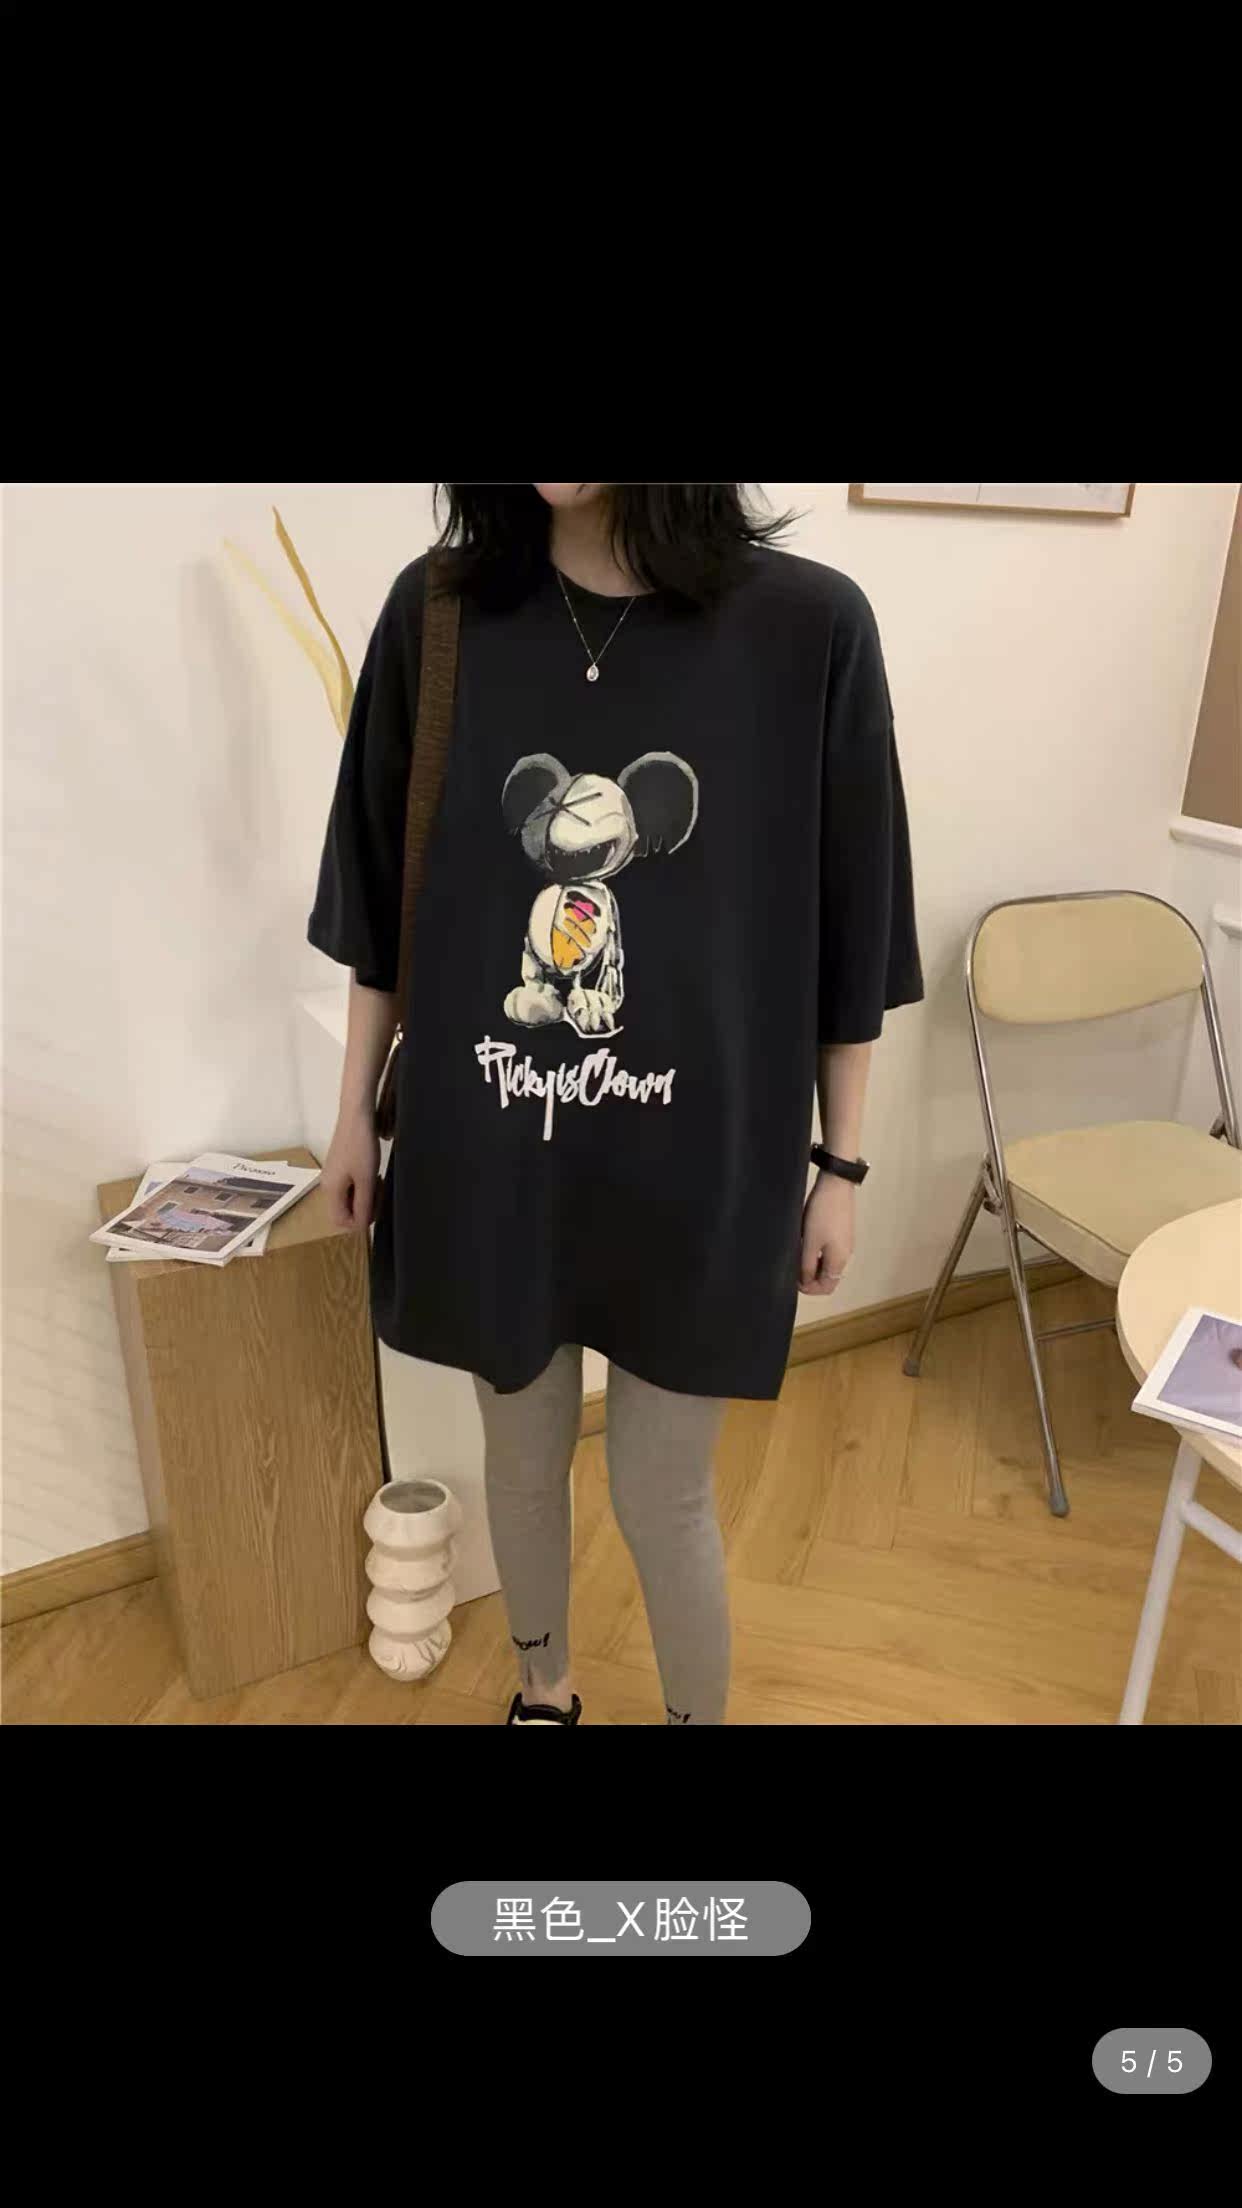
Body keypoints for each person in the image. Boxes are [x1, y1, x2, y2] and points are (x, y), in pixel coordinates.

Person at [308, 483, 922, 1726]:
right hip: (493, 1150)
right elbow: (382, 897)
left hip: (706, 1167)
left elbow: (852, 929)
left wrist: (842, 1167)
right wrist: (352, 1115)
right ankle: (545, 1694)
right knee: (522, 1463)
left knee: (661, 1490)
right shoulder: (439, 614)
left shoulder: (810, 628)